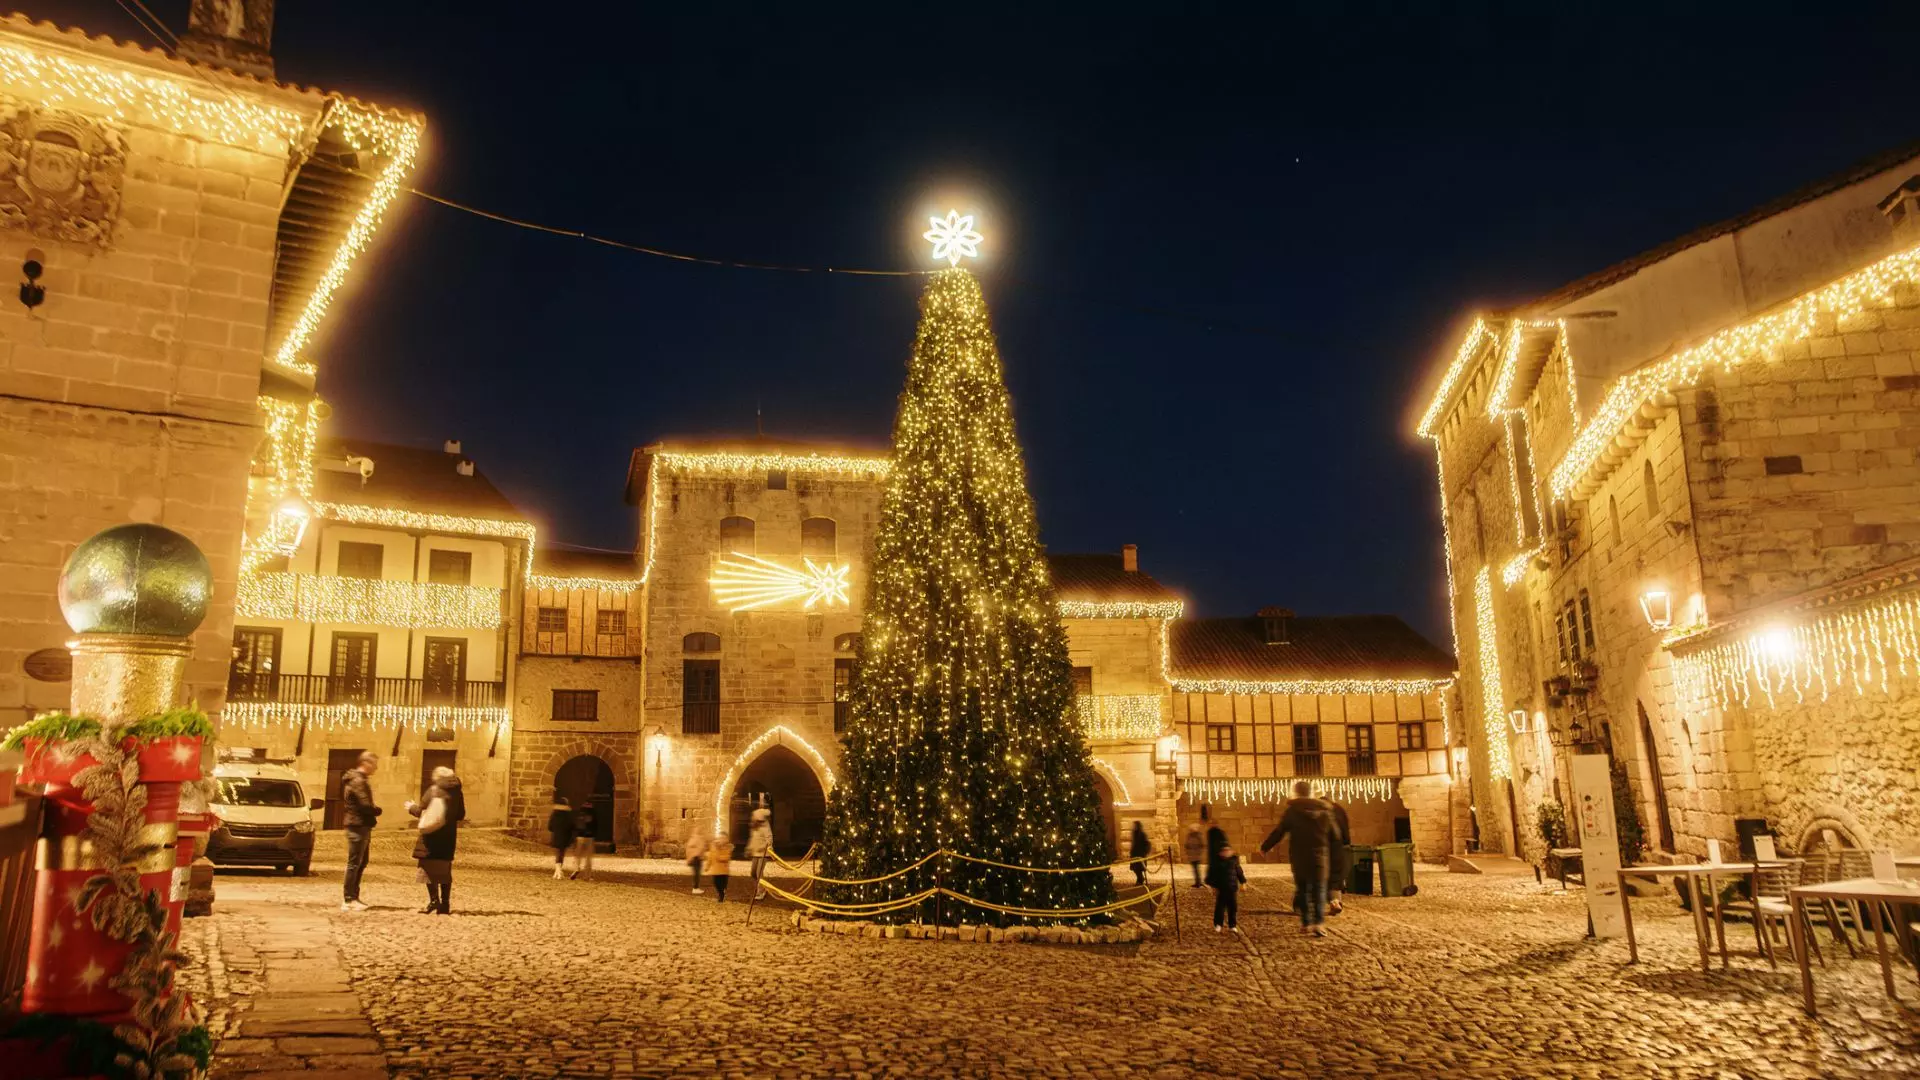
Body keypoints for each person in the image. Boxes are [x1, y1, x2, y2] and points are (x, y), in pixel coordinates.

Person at [1261, 781, 1338, 937]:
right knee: (1319, 889)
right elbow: (1336, 835)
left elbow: (1279, 831)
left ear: (1296, 792)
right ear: (1311, 793)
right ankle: (1319, 923)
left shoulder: (1292, 811)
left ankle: (1306, 923)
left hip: (1300, 856)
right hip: (1320, 857)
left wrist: (1265, 846)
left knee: (1303, 889)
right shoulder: (1325, 811)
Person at [408, 766, 464, 915]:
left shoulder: (433, 791)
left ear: (437, 777)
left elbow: (421, 811)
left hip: (431, 836)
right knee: (444, 871)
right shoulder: (457, 792)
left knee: (428, 869)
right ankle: (445, 904)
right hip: (448, 836)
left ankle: (434, 901)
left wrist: (411, 807)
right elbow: (461, 814)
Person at [340, 752, 380, 912]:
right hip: (357, 825)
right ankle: (349, 899)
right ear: (366, 763)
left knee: (361, 862)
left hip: (359, 824)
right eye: (374, 764)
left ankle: (353, 897)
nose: (376, 768)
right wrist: (377, 810)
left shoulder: (358, 779)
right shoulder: (358, 781)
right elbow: (365, 805)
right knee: (355, 863)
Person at [1207, 844, 1248, 934]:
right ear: (1220, 853)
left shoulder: (1234, 862)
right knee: (1220, 908)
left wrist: (1243, 882)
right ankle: (1218, 924)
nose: (1226, 853)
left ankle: (1232, 925)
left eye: (1228, 851)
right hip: (1221, 889)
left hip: (1232, 889)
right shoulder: (1217, 863)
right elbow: (1213, 875)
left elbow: (1240, 873)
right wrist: (1213, 886)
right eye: (1224, 851)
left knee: (1232, 908)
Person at [1325, 799, 1352, 916]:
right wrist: (1346, 842)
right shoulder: (1339, 809)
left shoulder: (1317, 810)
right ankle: (1336, 901)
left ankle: (1329, 901)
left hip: (1322, 848)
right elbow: (1345, 832)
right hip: (1338, 847)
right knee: (1335, 876)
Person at [746, 806, 774, 901]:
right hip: (755, 853)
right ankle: (762, 886)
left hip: (763, 854)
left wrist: (762, 847)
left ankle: (761, 892)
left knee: (759, 873)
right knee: (753, 872)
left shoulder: (765, 828)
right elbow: (752, 839)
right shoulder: (754, 827)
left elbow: (769, 840)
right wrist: (749, 848)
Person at [546, 794, 574, 880]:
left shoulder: (554, 814)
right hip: (565, 837)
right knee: (561, 854)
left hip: (556, 836)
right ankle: (558, 872)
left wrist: (555, 830)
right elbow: (571, 826)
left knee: (557, 854)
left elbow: (550, 827)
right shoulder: (568, 814)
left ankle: (557, 872)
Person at [571, 799, 597, 880]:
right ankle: (587, 875)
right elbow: (596, 826)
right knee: (588, 857)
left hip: (580, 837)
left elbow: (575, 825)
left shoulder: (580, 813)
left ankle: (576, 868)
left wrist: (575, 836)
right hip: (590, 837)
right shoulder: (593, 813)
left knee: (577, 855)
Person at [705, 829, 733, 903]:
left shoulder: (727, 847)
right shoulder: (713, 845)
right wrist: (707, 866)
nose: (721, 840)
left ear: (726, 839)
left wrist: (719, 857)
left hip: (724, 871)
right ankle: (721, 893)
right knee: (716, 883)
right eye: (720, 838)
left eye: (723, 838)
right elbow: (710, 856)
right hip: (716, 870)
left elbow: (727, 857)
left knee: (723, 884)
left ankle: (722, 893)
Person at [685, 822, 710, 895]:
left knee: (696, 874)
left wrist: (689, 858)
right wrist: (700, 855)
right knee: (697, 874)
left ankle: (696, 888)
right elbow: (700, 848)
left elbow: (689, 849)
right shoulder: (698, 838)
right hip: (696, 858)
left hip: (695, 858)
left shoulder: (692, 838)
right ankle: (695, 888)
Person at [1182, 823, 1206, 888]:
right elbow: (1187, 845)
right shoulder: (1189, 836)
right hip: (1191, 855)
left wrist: (1199, 853)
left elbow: (1202, 845)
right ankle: (1197, 882)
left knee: (1196, 869)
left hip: (1196, 856)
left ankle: (1198, 883)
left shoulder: (1198, 836)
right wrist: (1188, 852)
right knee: (1195, 870)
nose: (1191, 830)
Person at [1128, 821, 1151, 886]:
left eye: (1135, 826)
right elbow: (1134, 844)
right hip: (1135, 855)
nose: (1134, 827)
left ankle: (1140, 880)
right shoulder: (1134, 834)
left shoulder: (1142, 834)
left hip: (1140, 855)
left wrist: (1144, 852)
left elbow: (1147, 844)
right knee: (1135, 869)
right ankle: (1140, 879)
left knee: (1139, 868)